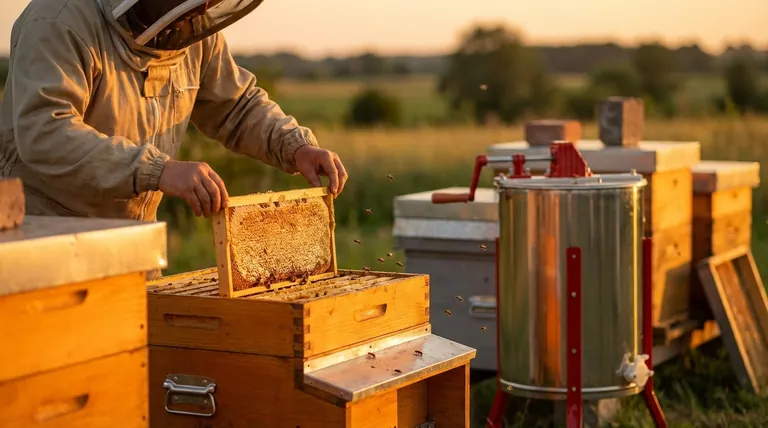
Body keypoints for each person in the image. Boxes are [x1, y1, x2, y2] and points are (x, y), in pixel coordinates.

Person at [0, 0, 348, 222]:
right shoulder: (57, 21)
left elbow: (236, 106)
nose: (201, 11)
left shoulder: (192, 31)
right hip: (43, 231)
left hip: (132, 238)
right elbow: (45, 132)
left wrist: (295, 145)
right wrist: (157, 170)